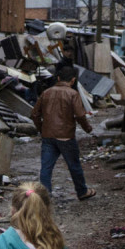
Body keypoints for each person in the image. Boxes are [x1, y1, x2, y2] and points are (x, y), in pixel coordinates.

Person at [31, 67, 96, 201]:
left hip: (48, 136)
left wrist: (41, 129)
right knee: (74, 166)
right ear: (73, 80)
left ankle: (44, 196)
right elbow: (80, 115)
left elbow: (34, 114)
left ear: (58, 78)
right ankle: (82, 191)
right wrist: (87, 128)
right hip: (66, 136)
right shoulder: (73, 94)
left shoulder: (46, 93)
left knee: (46, 167)